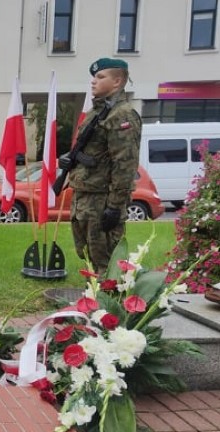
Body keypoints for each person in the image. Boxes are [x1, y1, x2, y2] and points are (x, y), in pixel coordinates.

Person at [60, 58, 142, 275]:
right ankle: (93, 302)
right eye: (94, 77)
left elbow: (125, 164)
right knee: (88, 257)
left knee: (106, 261)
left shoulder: (122, 115)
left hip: (102, 200)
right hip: (85, 197)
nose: (93, 82)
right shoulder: (97, 112)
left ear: (117, 81)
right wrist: (71, 159)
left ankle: (106, 305)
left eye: (100, 77)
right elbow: (93, 152)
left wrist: (114, 206)